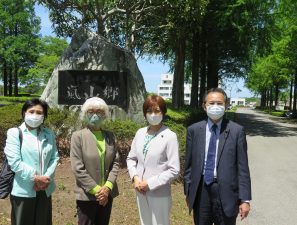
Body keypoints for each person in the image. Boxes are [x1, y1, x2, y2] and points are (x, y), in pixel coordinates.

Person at [184, 88, 251, 225]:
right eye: (211, 103)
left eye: (219, 103)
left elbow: (242, 167)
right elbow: (189, 165)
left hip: (227, 192)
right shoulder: (194, 130)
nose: (215, 106)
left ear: (226, 105)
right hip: (201, 191)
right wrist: (188, 191)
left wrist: (245, 199)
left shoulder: (237, 131)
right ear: (204, 106)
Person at [4, 98, 59, 225]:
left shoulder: (48, 134)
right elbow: (15, 162)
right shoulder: (15, 133)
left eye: (39, 112)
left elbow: (54, 157)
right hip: (23, 190)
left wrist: (45, 178)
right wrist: (36, 178)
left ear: (44, 116)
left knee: (43, 221)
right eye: (31, 111)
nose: (35, 115)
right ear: (24, 113)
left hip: (45, 188)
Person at [127, 95, 180, 225]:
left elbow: (174, 170)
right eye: (149, 111)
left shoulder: (170, 136)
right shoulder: (140, 133)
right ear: (145, 114)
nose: (153, 115)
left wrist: (149, 183)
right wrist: (135, 177)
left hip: (159, 192)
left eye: (157, 111)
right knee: (144, 222)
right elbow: (131, 158)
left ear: (163, 112)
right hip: (140, 190)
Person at [70, 97, 119, 225]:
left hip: (107, 194)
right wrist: (97, 190)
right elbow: (77, 167)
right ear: (85, 114)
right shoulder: (78, 136)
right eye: (91, 111)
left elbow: (116, 163)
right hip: (87, 194)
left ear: (105, 115)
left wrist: (107, 188)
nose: (95, 115)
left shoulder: (111, 136)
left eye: (99, 112)